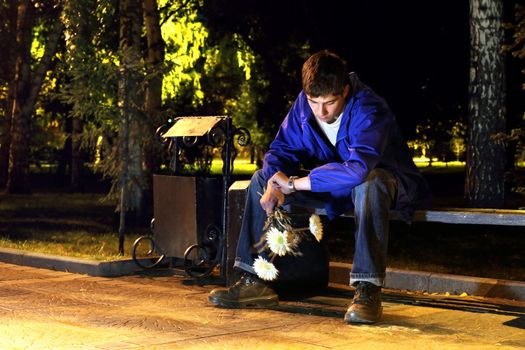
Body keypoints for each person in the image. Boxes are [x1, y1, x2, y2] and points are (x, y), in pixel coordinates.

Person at [208, 50, 431, 324]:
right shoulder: (304, 105)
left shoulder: (370, 108)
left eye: (330, 103)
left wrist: (293, 183)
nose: (321, 112)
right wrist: (275, 181)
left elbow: (358, 168)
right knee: (260, 179)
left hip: (387, 187)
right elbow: (280, 150)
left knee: (371, 182)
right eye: (314, 102)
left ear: (345, 91)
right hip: (335, 187)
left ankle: (367, 290)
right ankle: (254, 280)